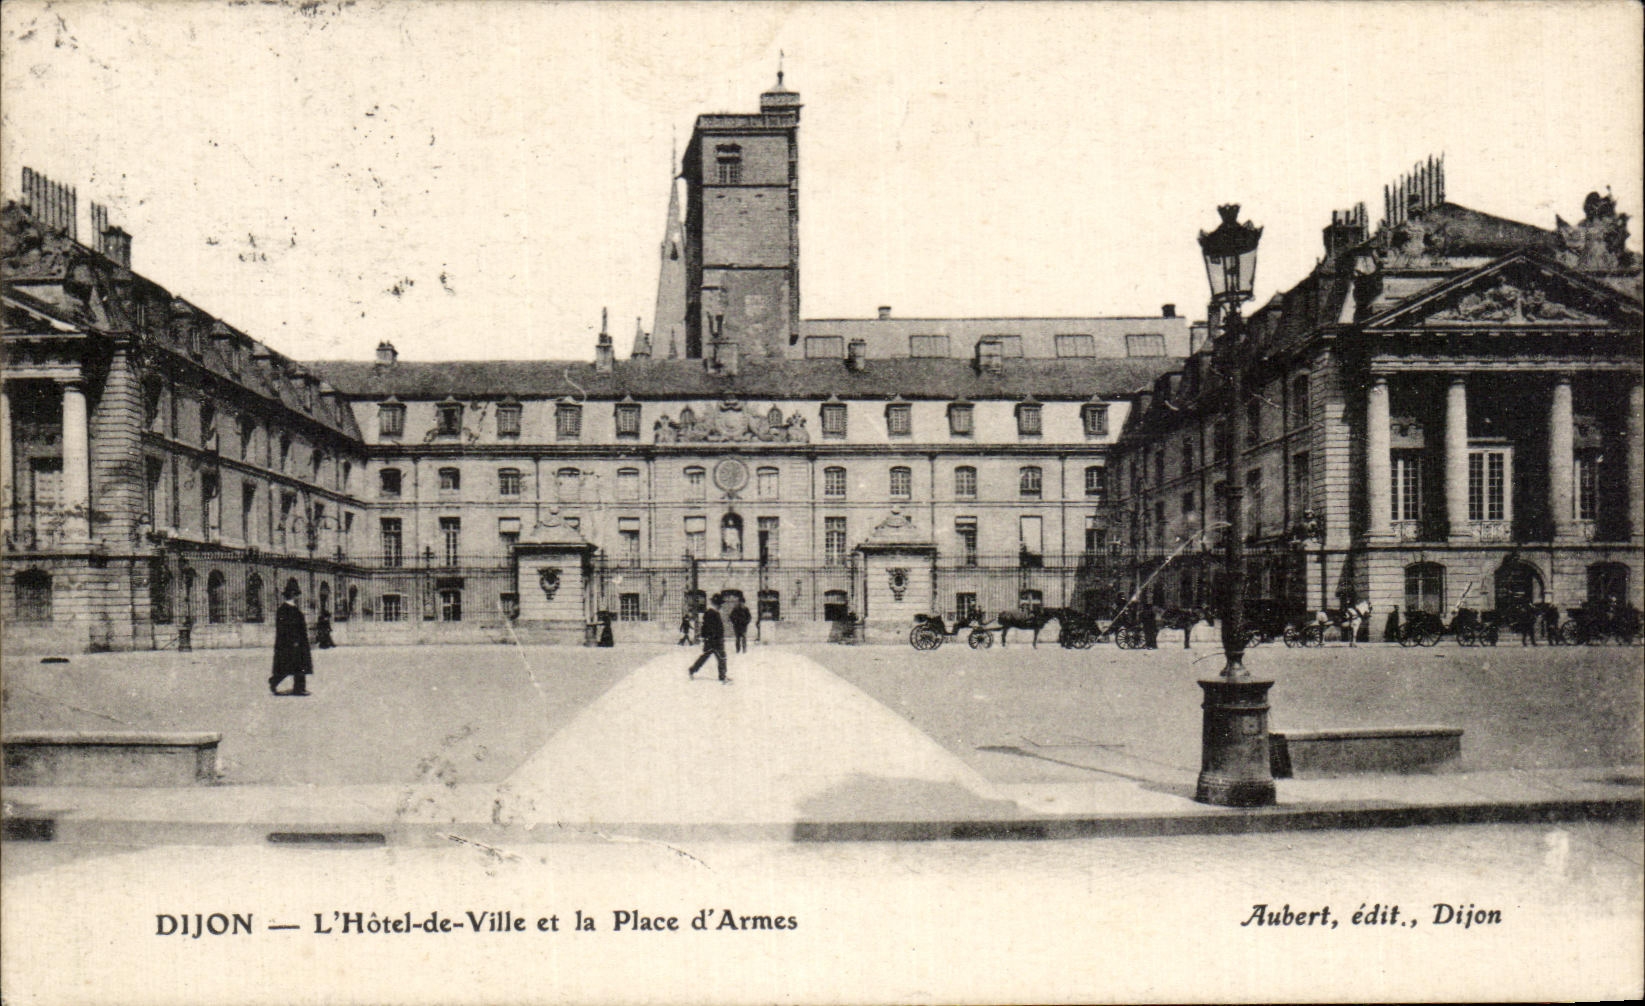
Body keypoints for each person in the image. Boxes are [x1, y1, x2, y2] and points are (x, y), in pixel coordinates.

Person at [269, 582, 313, 696]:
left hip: (299, 642)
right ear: (293, 595)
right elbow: (284, 628)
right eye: (296, 594)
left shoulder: (294, 609)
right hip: (290, 643)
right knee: (286, 666)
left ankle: (299, 688)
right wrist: (293, 641)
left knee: (299, 665)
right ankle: (274, 681)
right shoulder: (284, 610)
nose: (298, 597)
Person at [688, 593, 729, 682]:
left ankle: (692, 670)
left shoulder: (714, 613)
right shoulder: (711, 613)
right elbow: (708, 627)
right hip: (714, 640)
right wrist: (713, 638)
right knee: (720, 657)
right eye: (720, 604)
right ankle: (723, 677)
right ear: (717, 604)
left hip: (715, 640)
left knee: (708, 657)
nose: (721, 606)